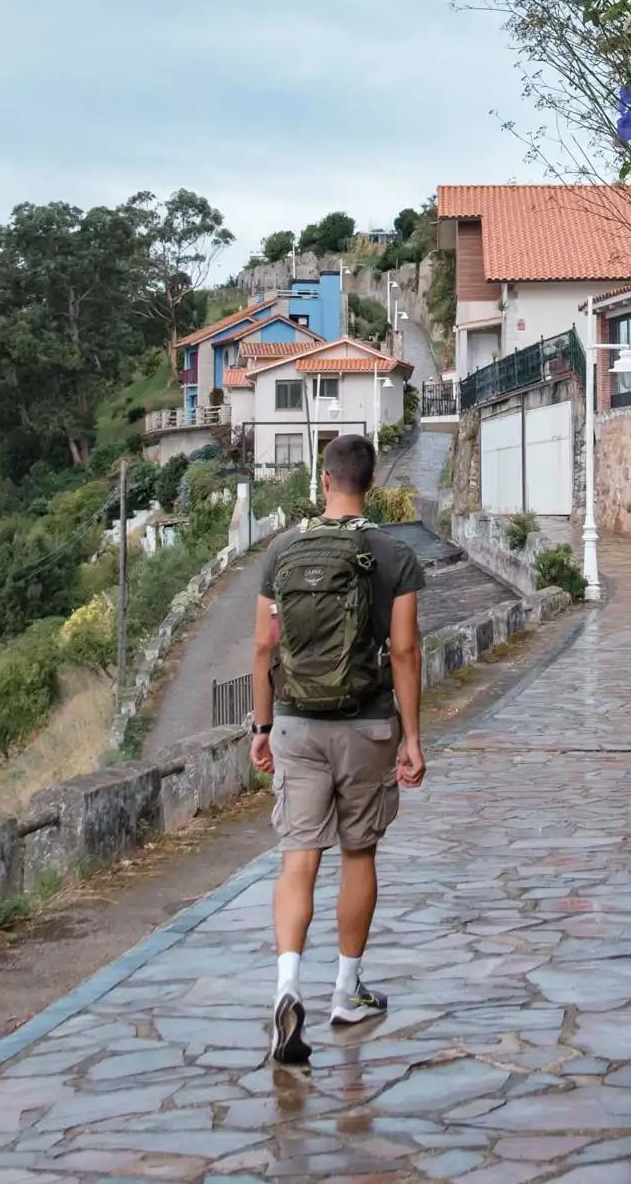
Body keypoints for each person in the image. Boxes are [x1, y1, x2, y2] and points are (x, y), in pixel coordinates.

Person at [250, 433, 426, 1065]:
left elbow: (265, 646)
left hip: (295, 725)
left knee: (298, 858)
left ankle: (286, 985)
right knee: (359, 852)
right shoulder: (393, 556)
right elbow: (404, 652)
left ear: (324, 481)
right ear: (370, 484)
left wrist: (261, 728)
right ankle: (346, 992)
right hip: (366, 727)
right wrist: (412, 736)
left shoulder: (282, 554)